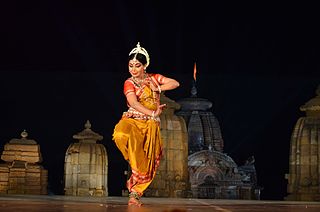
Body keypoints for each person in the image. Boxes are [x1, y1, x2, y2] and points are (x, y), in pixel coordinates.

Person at [112, 42, 180, 206]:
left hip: (150, 126)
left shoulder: (154, 78)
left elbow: (175, 83)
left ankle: (135, 194)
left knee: (145, 161)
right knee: (119, 135)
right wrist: (152, 113)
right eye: (130, 66)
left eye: (137, 66)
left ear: (144, 66)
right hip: (132, 120)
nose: (133, 70)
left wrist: (158, 89)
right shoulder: (129, 82)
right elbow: (133, 103)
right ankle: (132, 158)